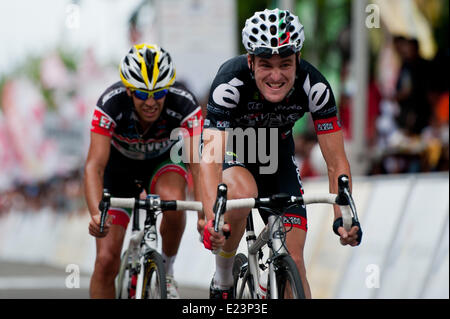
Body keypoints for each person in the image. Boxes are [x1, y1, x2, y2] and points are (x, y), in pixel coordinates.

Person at [199, 8, 362, 299]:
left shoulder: (316, 86)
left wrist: (344, 216)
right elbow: (210, 158)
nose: (276, 76)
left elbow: (336, 161)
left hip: (278, 162)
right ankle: (223, 281)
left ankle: (271, 284)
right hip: (236, 153)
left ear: (298, 60)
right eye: (265, 64)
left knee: (295, 263)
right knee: (241, 191)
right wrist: (213, 215)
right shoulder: (230, 82)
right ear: (250, 61)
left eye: (285, 64)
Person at [84, 43, 203, 299]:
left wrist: (206, 214)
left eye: (158, 93)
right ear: (128, 90)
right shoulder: (109, 103)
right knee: (105, 261)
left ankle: (167, 273)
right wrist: (96, 214)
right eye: (141, 93)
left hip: (162, 162)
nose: (151, 102)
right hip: (119, 170)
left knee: (173, 200)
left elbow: (198, 163)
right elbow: (94, 165)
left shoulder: (184, 102)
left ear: (168, 89)